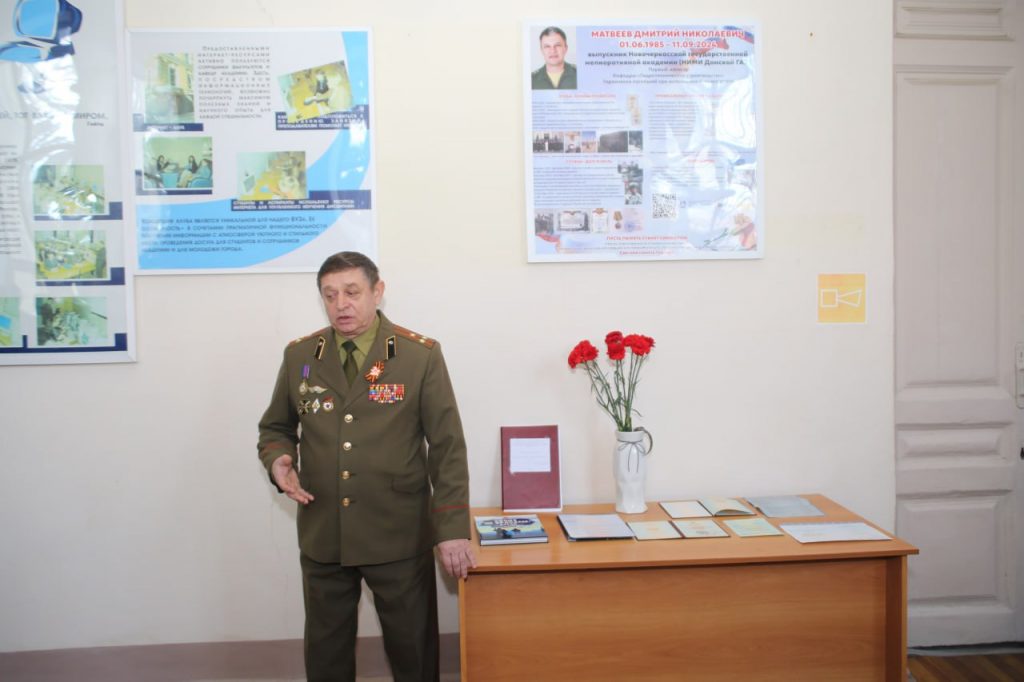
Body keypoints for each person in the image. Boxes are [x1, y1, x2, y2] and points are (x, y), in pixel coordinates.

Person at [257, 251, 475, 682]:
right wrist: (279, 458)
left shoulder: (417, 355)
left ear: (378, 292)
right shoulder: (302, 356)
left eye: (352, 292)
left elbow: (447, 446)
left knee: (413, 651)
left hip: (397, 531)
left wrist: (451, 529)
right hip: (325, 532)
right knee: (326, 653)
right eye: (330, 295)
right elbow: (276, 427)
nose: (341, 304)